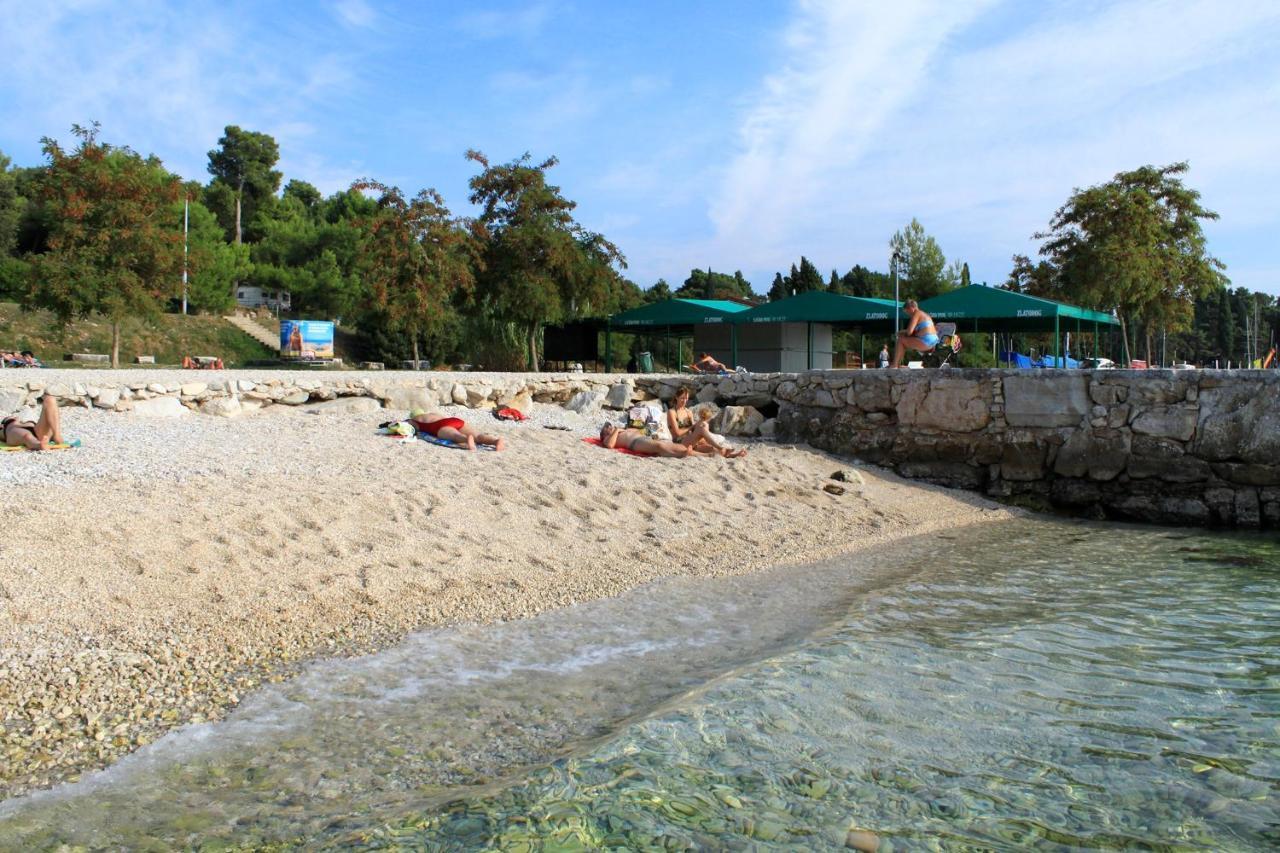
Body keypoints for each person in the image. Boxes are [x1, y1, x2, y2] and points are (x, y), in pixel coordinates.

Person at [665, 386, 747, 458]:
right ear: (676, 397)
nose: (685, 401)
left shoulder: (688, 412)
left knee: (711, 448)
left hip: (691, 439)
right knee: (701, 429)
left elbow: (694, 428)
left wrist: (699, 428)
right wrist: (694, 427)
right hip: (680, 442)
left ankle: (734, 455)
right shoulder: (671, 412)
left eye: (686, 398)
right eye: (682, 398)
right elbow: (677, 433)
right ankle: (720, 447)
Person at [598, 422, 713, 458]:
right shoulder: (609, 438)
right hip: (635, 443)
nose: (610, 427)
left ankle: (707, 455)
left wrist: (654, 428)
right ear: (604, 434)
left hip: (643, 438)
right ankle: (683, 452)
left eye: (610, 426)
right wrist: (616, 430)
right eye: (607, 428)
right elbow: (609, 445)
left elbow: (642, 431)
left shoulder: (623, 430)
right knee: (659, 447)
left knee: (662, 445)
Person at [409, 410, 505, 451]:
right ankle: (495, 441)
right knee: (478, 436)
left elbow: (404, 427)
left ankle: (466, 439)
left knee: (455, 436)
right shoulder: (433, 414)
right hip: (454, 420)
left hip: (439, 426)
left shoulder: (414, 420)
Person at [891, 299, 939, 368]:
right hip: (934, 342)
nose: (908, 314)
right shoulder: (925, 314)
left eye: (907, 312)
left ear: (911, 308)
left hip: (927, 341)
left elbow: (909, 332)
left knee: (901, 340)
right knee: (904, 341)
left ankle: (895, 365)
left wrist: (899, 332)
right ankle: (898, 364)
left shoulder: (917, 313)